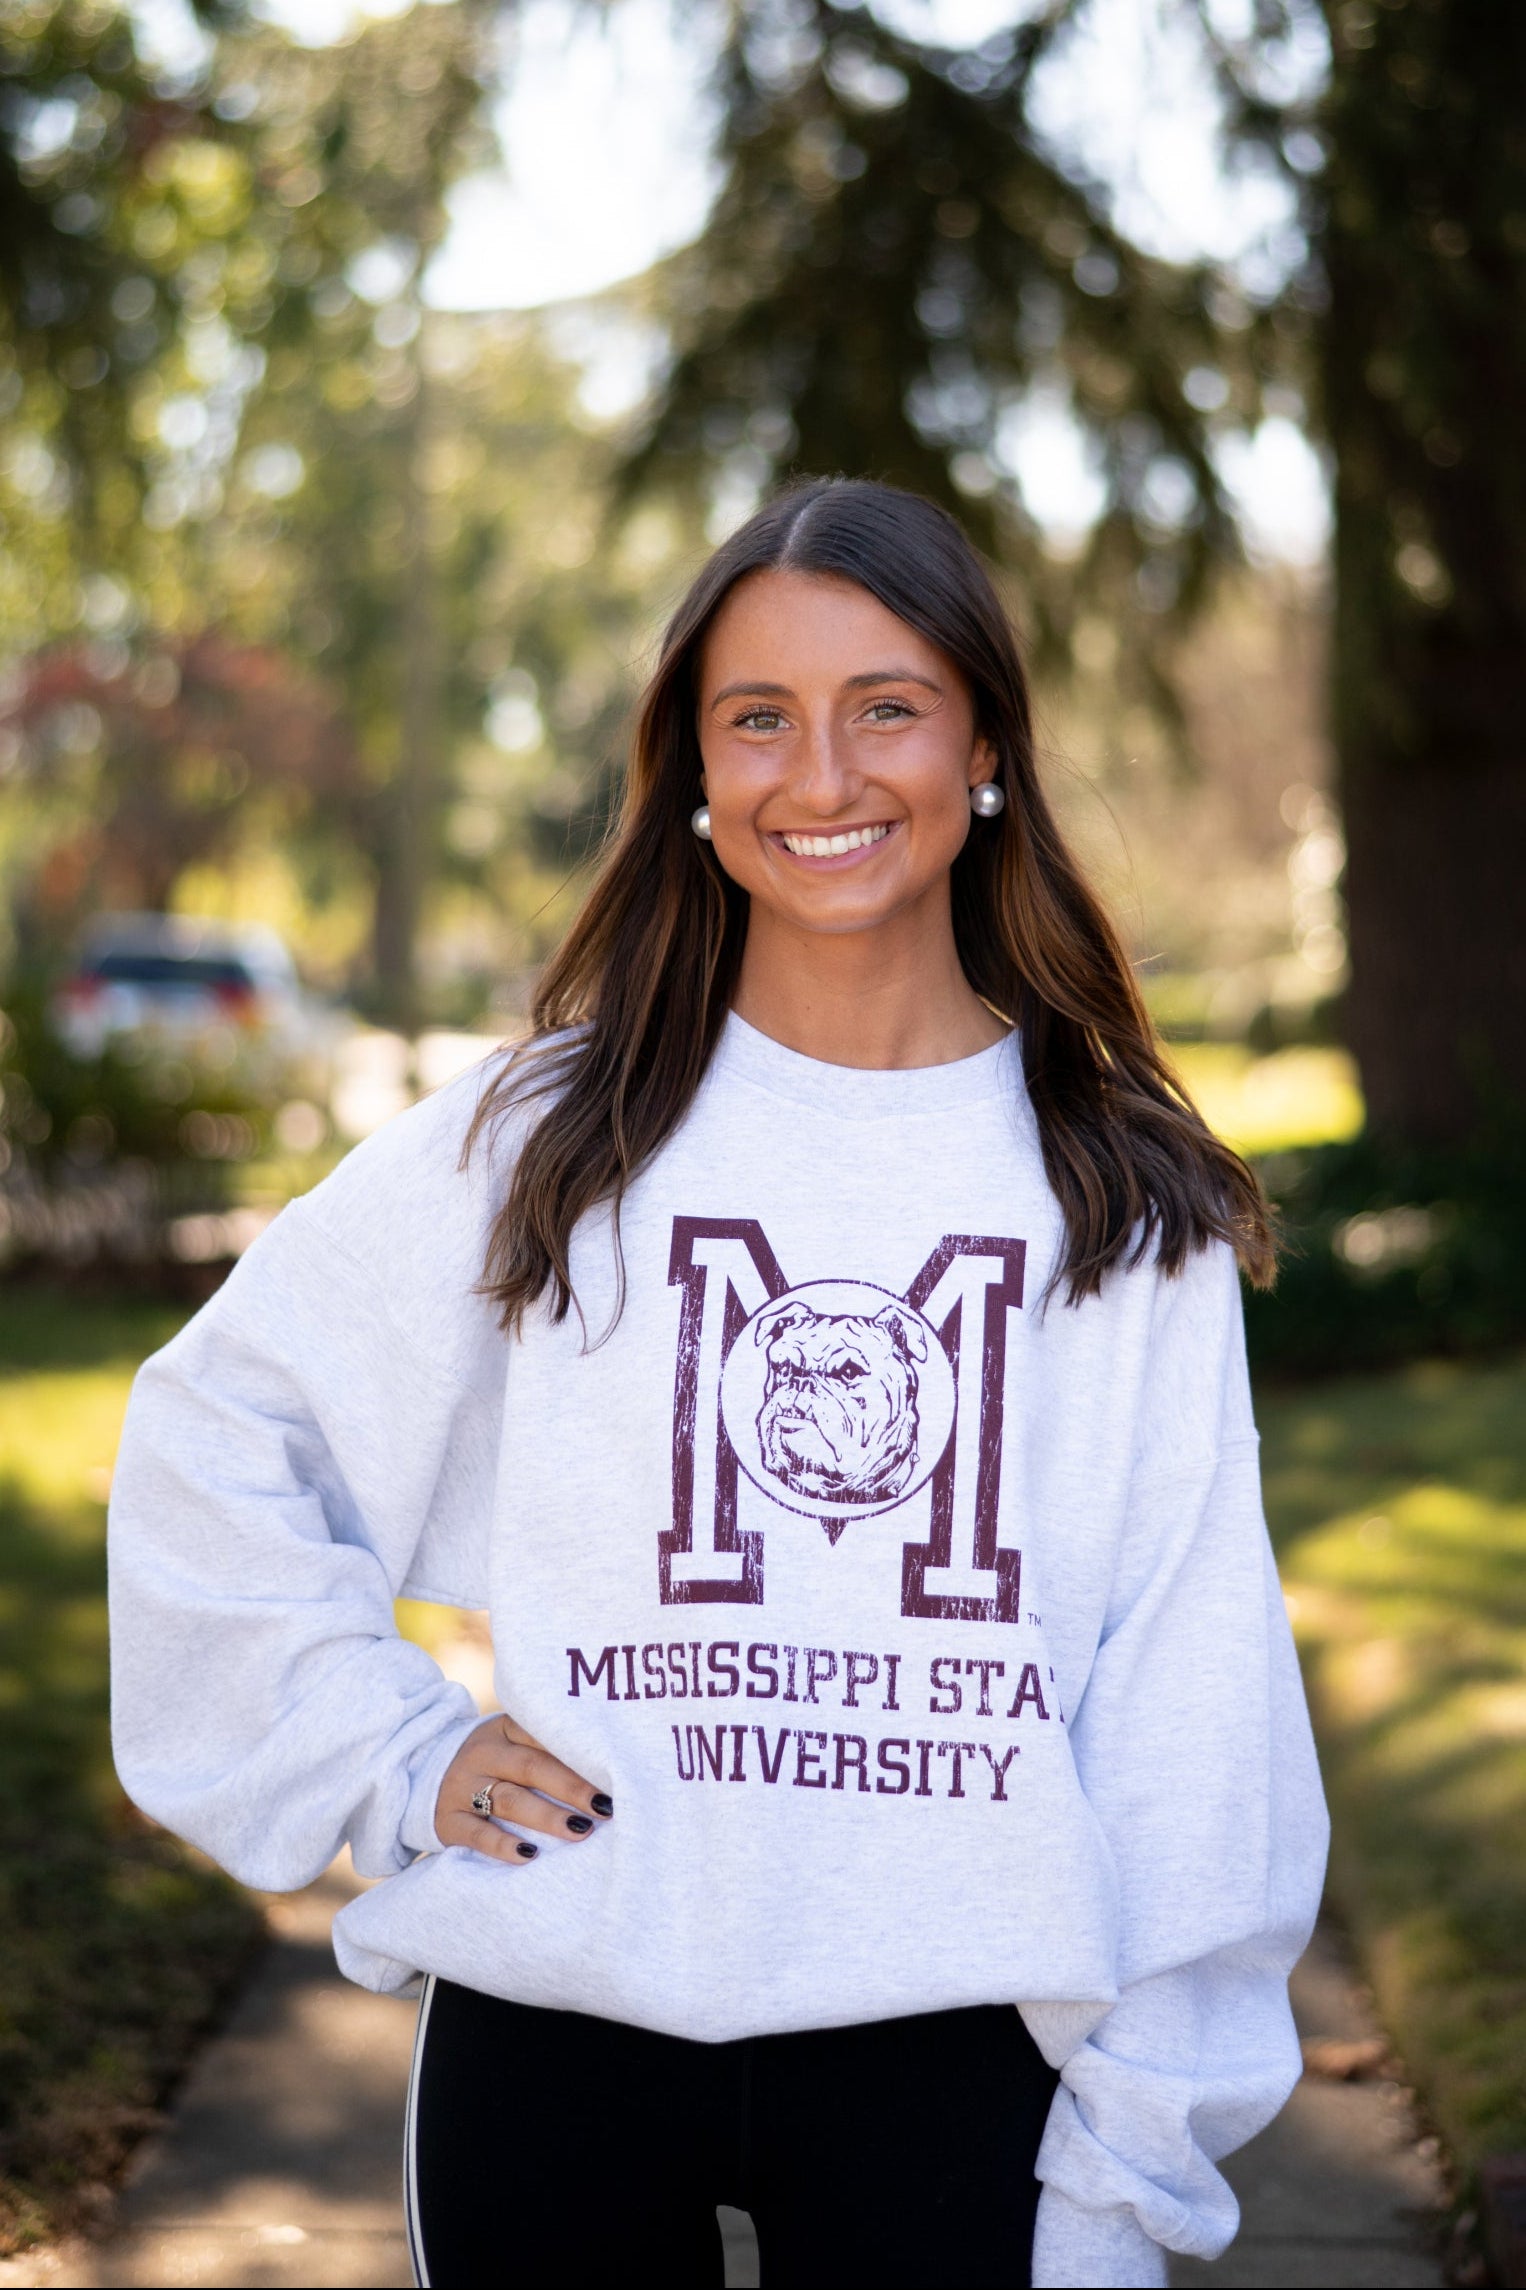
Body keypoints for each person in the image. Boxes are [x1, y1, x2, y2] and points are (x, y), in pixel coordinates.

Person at [109, 478, 1328, 2289]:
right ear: (691, 767)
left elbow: (1188, 1700)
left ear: (985, 741)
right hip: (565, 2038)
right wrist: (390, 1752)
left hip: (953, 2057)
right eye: (756, 718)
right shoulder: (553, 1134)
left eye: (884, 707)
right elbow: (219, 1426)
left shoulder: (1113, 1188)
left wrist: (1134, 2151)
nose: (817, 777)